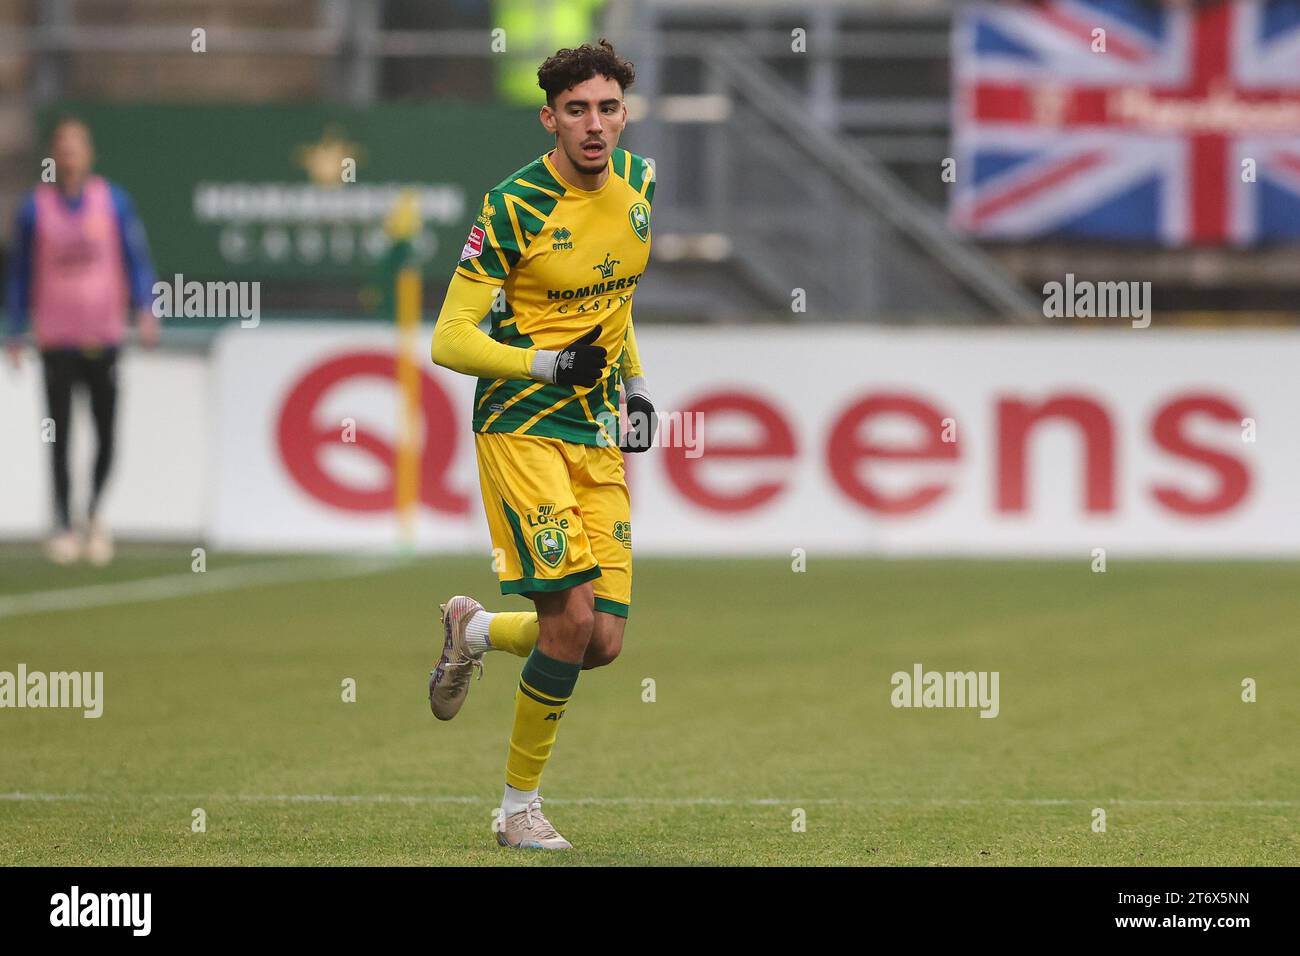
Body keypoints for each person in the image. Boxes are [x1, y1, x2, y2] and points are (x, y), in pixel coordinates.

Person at [428, 39, 658, 850]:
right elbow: (449, 340)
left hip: (596, 430)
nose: (594, 126)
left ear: (623, 113)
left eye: (608, 108)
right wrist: (546, 363)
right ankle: (517, 809)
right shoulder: (512, 206)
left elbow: (617, 304)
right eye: (577, 111)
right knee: (569, 617)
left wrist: (632, 387)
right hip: (521, 424)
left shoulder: (640, 185)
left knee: (601, 641)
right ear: (550, 118)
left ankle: (475, 631)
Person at [4, 117, 159, 565]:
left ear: (89, 154)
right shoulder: (35, 208)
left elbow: (137, 258)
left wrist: (147, 308)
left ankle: (92, 513)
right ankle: (62, 522)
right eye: (62, 147)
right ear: (53, 156)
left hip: (104, 335)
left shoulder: (112, 202)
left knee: (106, 434)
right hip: (56, 339)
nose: (69, 155)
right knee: (59, 434)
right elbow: (19, 274)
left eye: (76, 147)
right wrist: (15, 328)